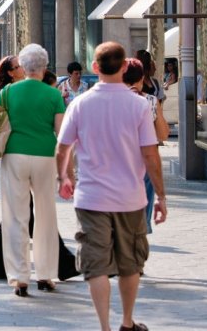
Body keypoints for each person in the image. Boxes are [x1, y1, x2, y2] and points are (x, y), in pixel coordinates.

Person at [57, 42, 167, 331]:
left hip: (91, 198)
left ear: (95, 68)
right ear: (123, 68)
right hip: (131, 198)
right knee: (130, 263)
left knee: (96, 265)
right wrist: (161, 196)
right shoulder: (139, 105)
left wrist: (64, 178)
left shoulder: (80, 103)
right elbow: (150, 153)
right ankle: (127, 321)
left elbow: (62, 147)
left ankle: (104, 326)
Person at [0, 44, 64, 296]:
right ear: (44, 67)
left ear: (24, 67)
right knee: (46, 213)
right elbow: (61, 133)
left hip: (15, 154)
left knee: (15, 215)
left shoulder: (8, 91)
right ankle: (47, 273)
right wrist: (67, 170)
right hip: (45, 155)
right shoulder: (54, 95)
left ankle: (19, 276)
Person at [123, 58, 171, 234]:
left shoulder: (108, 99)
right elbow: (163, 134)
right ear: (142, 78)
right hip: (144, 160)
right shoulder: (150, 101)